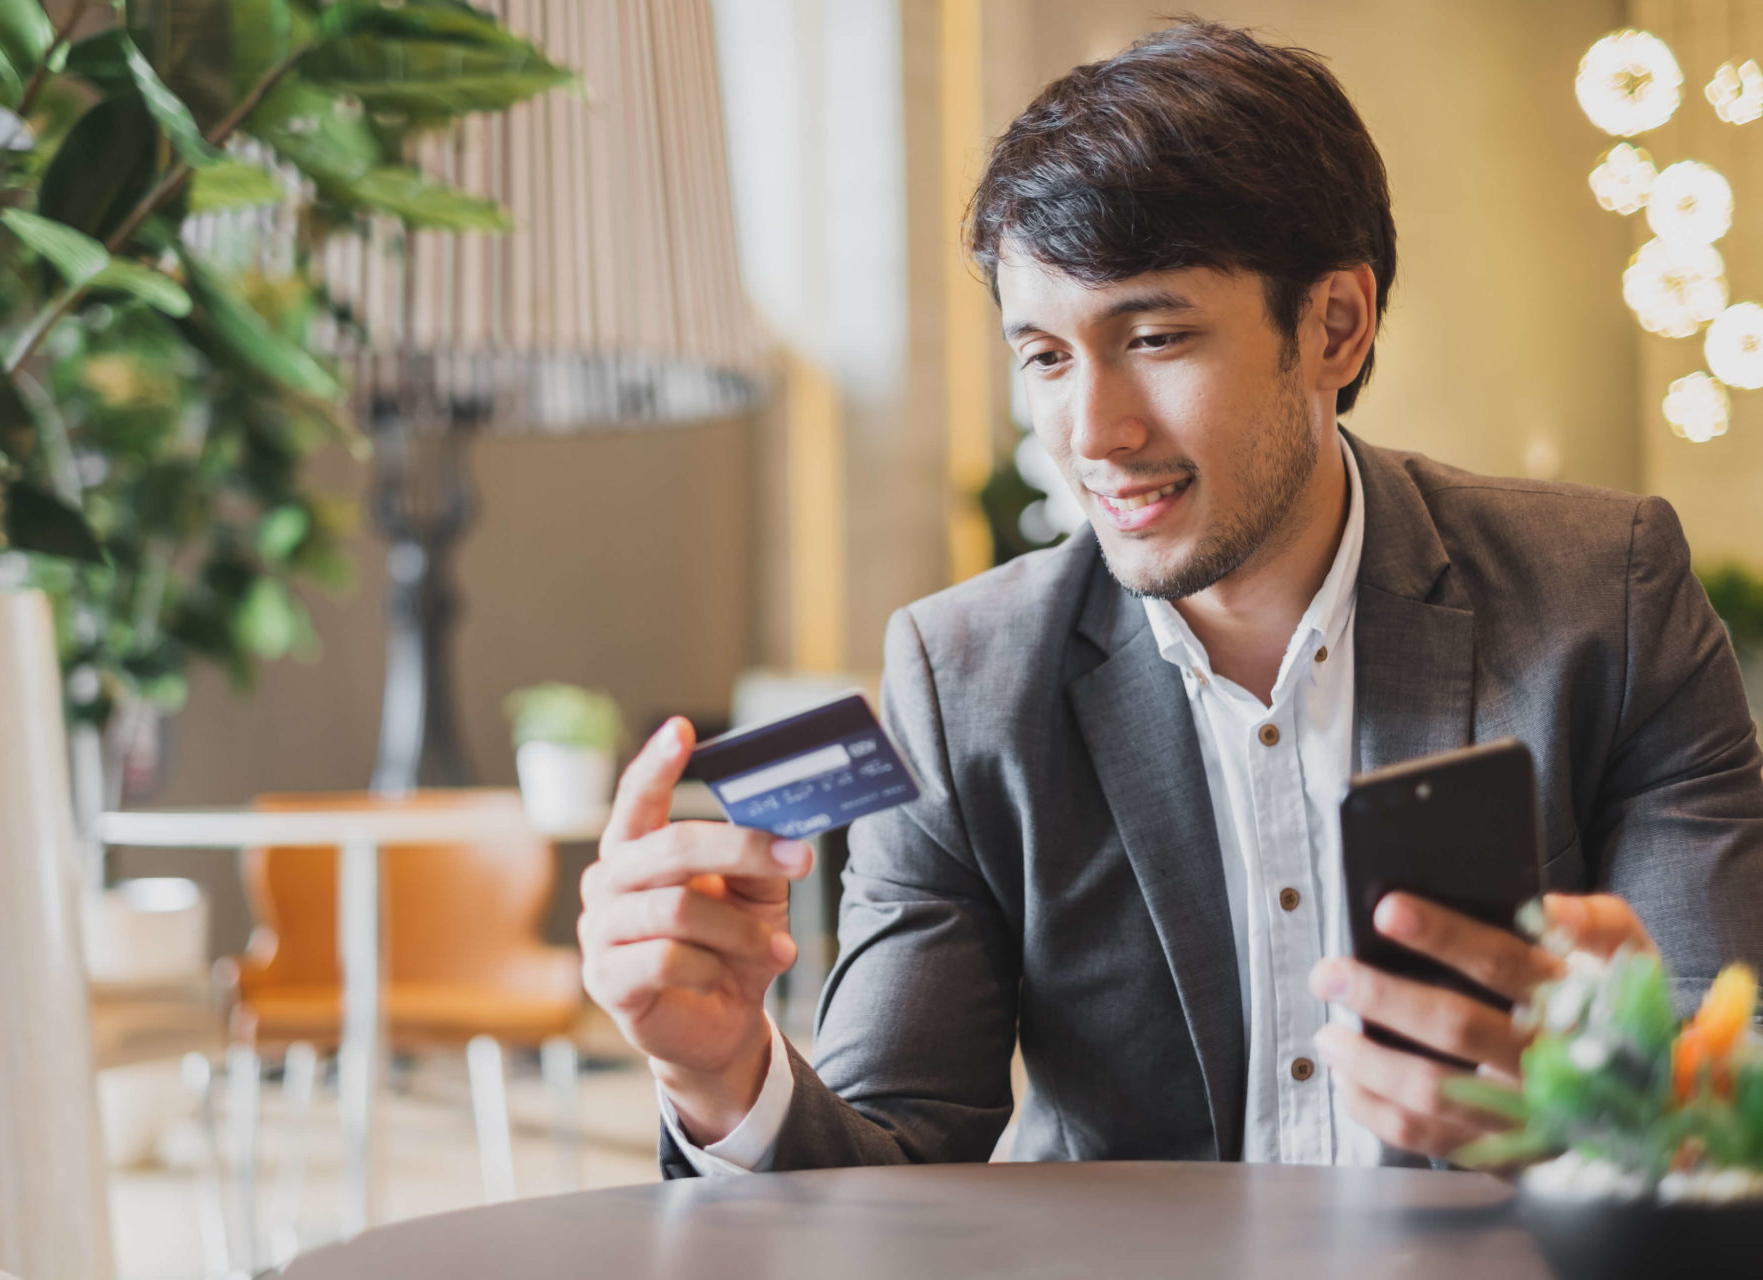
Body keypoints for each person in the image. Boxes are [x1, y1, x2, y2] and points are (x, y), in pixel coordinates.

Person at [577, 21, 1763, 1175]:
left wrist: (1605, 1097)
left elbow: (1731, 1062)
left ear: (1334, 325)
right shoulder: (964, 679)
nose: (1093, 433)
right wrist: (725, 1073)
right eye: (1044, 356)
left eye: (1153, 336)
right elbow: (890, 1173)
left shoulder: (1604, 596)